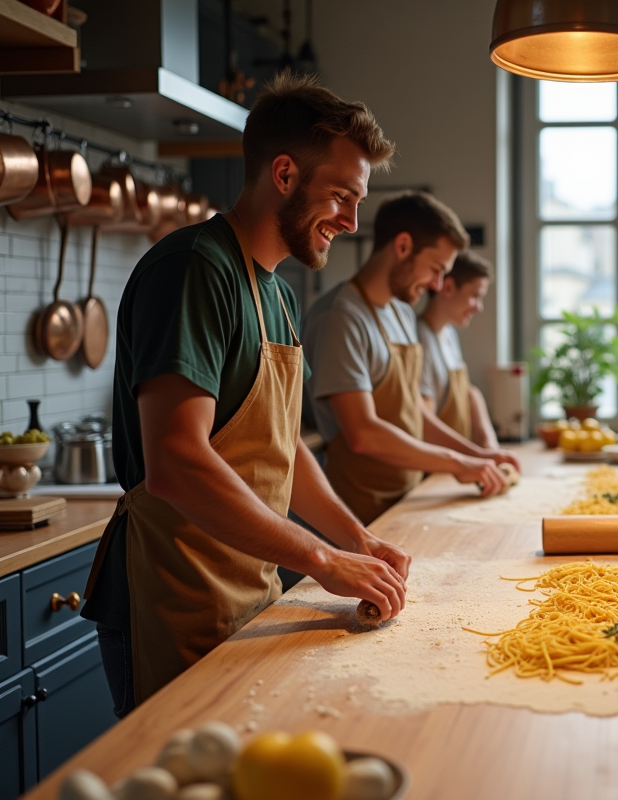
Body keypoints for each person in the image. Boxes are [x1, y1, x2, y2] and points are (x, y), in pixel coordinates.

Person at [82, 73, 411, 717]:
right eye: (341, 196)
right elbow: (176, 464)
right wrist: (321, 559)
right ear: (284, 174)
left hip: (246, 587)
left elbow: (283, 441)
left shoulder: (278, 294)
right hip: (173, 595)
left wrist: (356, 541)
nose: (350, 221)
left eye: (358, 201)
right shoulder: (195, 268)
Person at [303, 191, 519, 525]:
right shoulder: (341, 317)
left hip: (406, 498)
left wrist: (478, 455)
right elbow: (363, 433)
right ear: (402, 247)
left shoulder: (402, 314)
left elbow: (414, 411)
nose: (437, 284)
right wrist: (457, 462)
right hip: (359, 511)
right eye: (435, 269)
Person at [418, 250, 500, 449]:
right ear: (448, 287)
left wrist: (490, 447)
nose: (479, 308)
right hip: (435, 463)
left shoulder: (449, 334)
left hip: (455, 458)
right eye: (474, 296)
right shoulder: (418, 339)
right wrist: (475, 456)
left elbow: (469, 394)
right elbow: (423, 422)